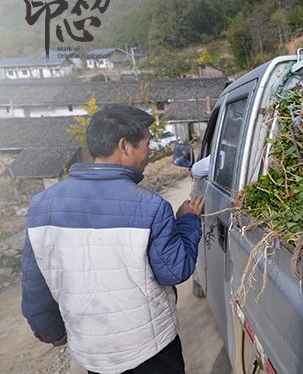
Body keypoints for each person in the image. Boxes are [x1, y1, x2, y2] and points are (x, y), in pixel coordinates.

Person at [21, 104, 204, 374]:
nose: (150, 152)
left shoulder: (41, 205)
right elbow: (175, 271)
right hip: (149, 349)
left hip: (93, 351)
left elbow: (35, 281)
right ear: (124, 146)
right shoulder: (150, 206)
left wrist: (49, 329)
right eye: (147, 142)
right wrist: (188, 221)